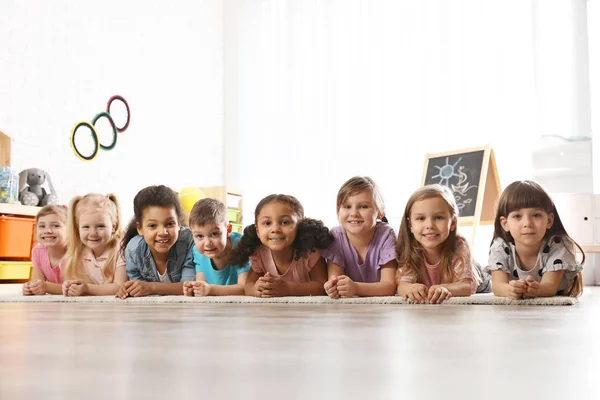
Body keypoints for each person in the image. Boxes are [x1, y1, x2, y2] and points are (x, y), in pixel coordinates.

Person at [486, 180, 583, 298]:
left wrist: (536, 290)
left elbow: (549, 287)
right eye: (517, 216)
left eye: (536, 215)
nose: (527, 223)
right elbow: (498, 286)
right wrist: (511, 290)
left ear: (549, 221)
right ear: (505, 223)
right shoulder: (500, 246)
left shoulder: (558, 244)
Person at [323, 176, 398, 298]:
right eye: (347, 207)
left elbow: (389, 286)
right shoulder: (336, 236)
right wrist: (333, 287)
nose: (354, 213)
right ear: (338, 211)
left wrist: (356, 288)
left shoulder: (386, 234)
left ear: (380, 211)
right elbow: (335, 279)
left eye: (363, 206)